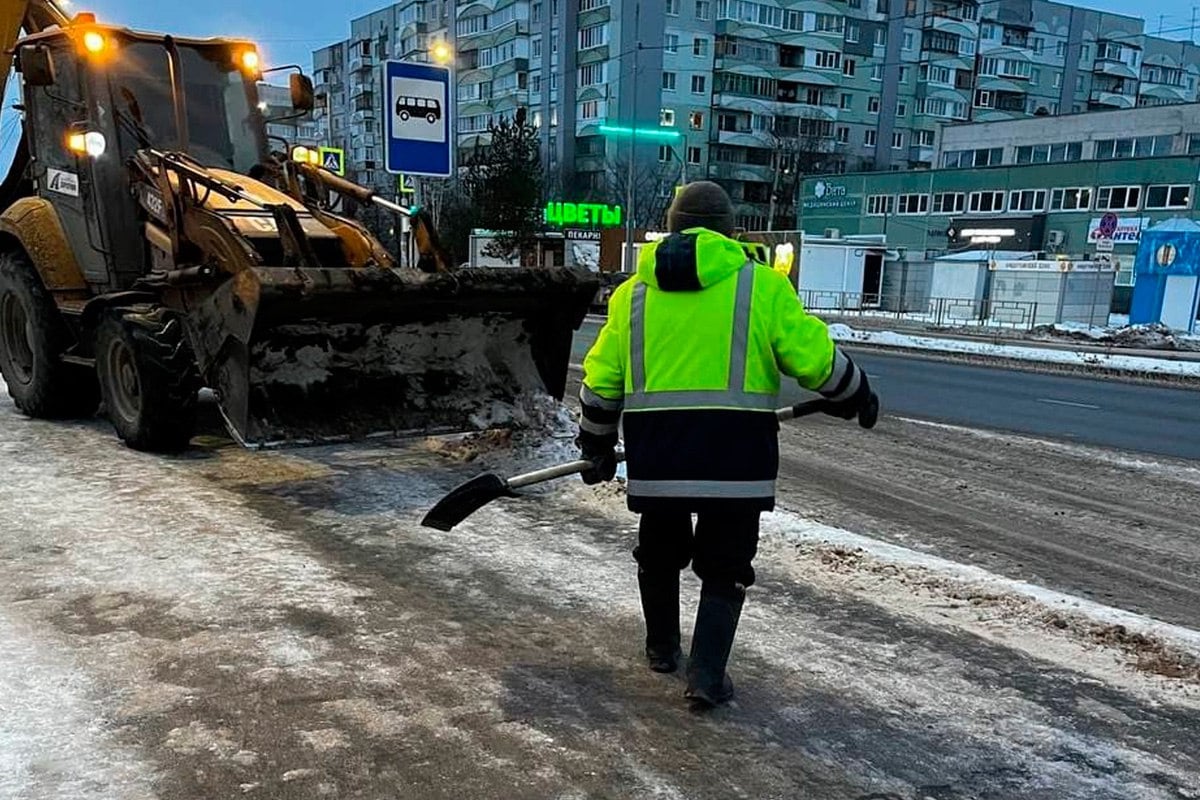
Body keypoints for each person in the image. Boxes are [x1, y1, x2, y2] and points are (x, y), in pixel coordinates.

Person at [577, 181, 875, 708]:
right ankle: (707, 677)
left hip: (659, 454)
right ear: (729, 231)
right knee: (725, 565)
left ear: (670, 227)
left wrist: (595, 444)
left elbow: (602, 380)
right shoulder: (759, 286)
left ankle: (662, 649)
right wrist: (857, 391)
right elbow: (814, 360)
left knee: (659, 553)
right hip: (736, 456)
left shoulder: (631, 295)